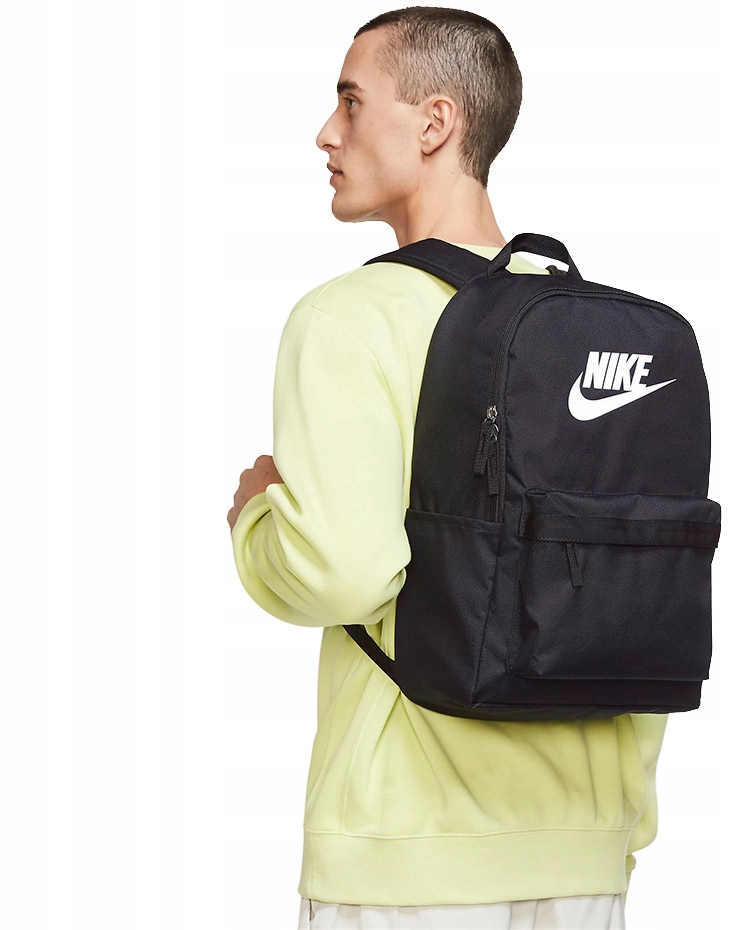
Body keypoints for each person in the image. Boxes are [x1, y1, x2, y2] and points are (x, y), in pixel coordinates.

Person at [227, 7, 668, 929]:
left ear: (435, 123)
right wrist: (617, 830)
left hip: (408, 853)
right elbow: (637, 595)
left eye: (351, 101)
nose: (326, 132)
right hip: (586, 846)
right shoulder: (605, 332)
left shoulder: (350, 316)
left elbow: (343, 573)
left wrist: (258, 521)